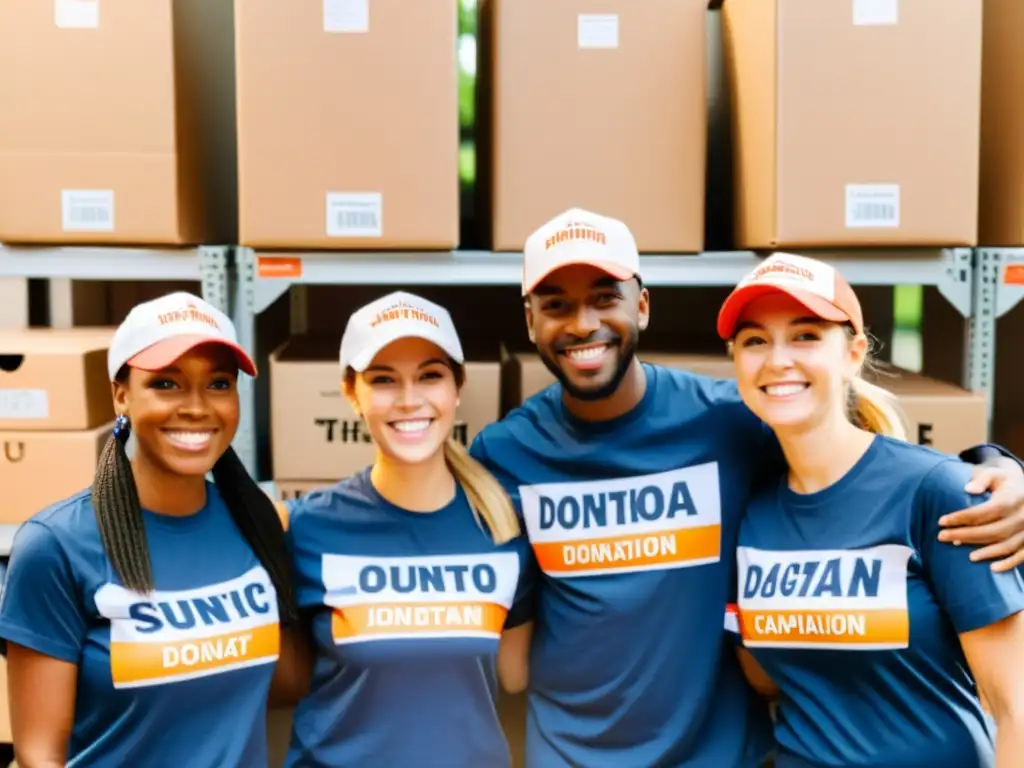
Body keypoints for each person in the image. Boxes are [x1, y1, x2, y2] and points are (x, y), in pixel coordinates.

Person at [468, 206, 1024, 767]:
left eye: (605, 296)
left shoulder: (730, 422)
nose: (582, 323)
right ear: (530, 319)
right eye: (556, 304)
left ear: (642, 304)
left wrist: (997, 468)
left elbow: (868, 465)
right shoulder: (504, 453)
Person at [719, 253, 1024, 768]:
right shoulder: (752, 513)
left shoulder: (938, 492)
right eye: (754, 340)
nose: (777, 360)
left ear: (853, 352)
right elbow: (764, 678)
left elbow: (1014, 705)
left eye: (806, 335)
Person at [0, 292, 298, 767]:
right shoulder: (55, 546)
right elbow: (39, 755)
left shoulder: (258, 525)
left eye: (219, 384)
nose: (197, 407)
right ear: (121, 395)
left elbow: (287, 686)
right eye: (167, 383)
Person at [277, 291, 536, 767]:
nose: (410, 399)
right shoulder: (308, 528)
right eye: (383, 380)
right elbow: (280, 679)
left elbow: (514, 674)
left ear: (458, 387)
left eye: (430, 376)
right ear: (351, 393)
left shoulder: (505, 527)